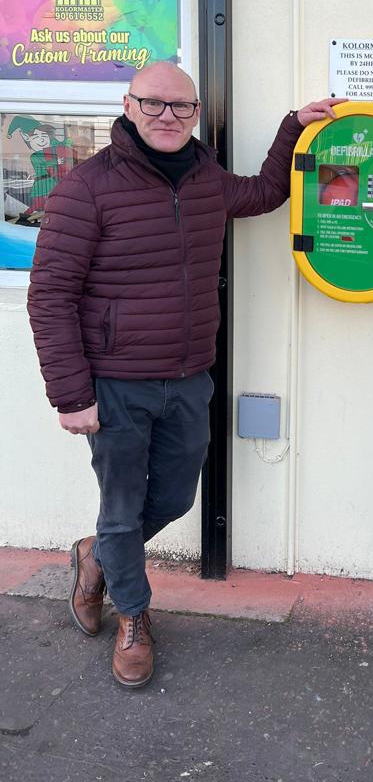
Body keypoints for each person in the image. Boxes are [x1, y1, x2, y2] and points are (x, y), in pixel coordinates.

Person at [27, 61, 340, 689]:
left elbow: (262, 194)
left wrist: (291, 129)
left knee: (173, 497)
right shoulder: (86, 187)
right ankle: (134, 619)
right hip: (114, 383)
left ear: (195, 113)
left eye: (181, 107)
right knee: (121, 507)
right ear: (128, 105)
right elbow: (50, 293)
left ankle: (96, 558)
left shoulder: (204, 177)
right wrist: (71, 394)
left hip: (189, 377)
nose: (168, 116)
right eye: (154, 104)